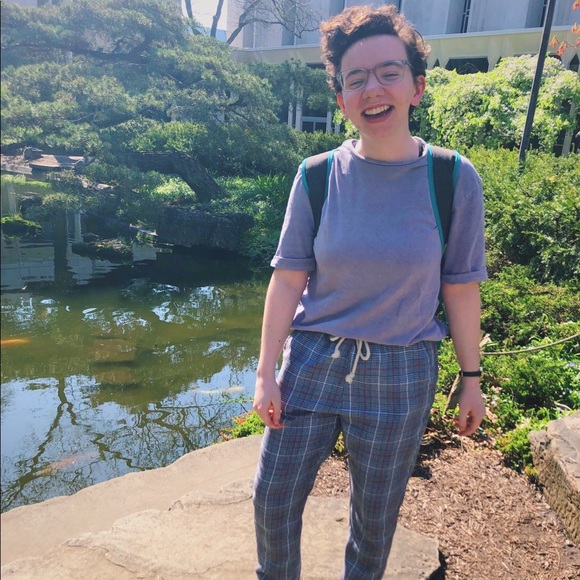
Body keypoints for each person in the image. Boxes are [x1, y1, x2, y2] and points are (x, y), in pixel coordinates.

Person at [252, 4, 487, 579]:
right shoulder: (316, 175)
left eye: (388, 73)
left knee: (375, 520)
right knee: (272, 498)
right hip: (313, 360)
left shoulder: (452, 177)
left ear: (416, 87)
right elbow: (288, 278)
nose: (372, 89)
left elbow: (460, 286)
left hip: (401, 370)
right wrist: (265, 372)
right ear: (341, 100)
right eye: (355, 79)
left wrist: (471, 378)